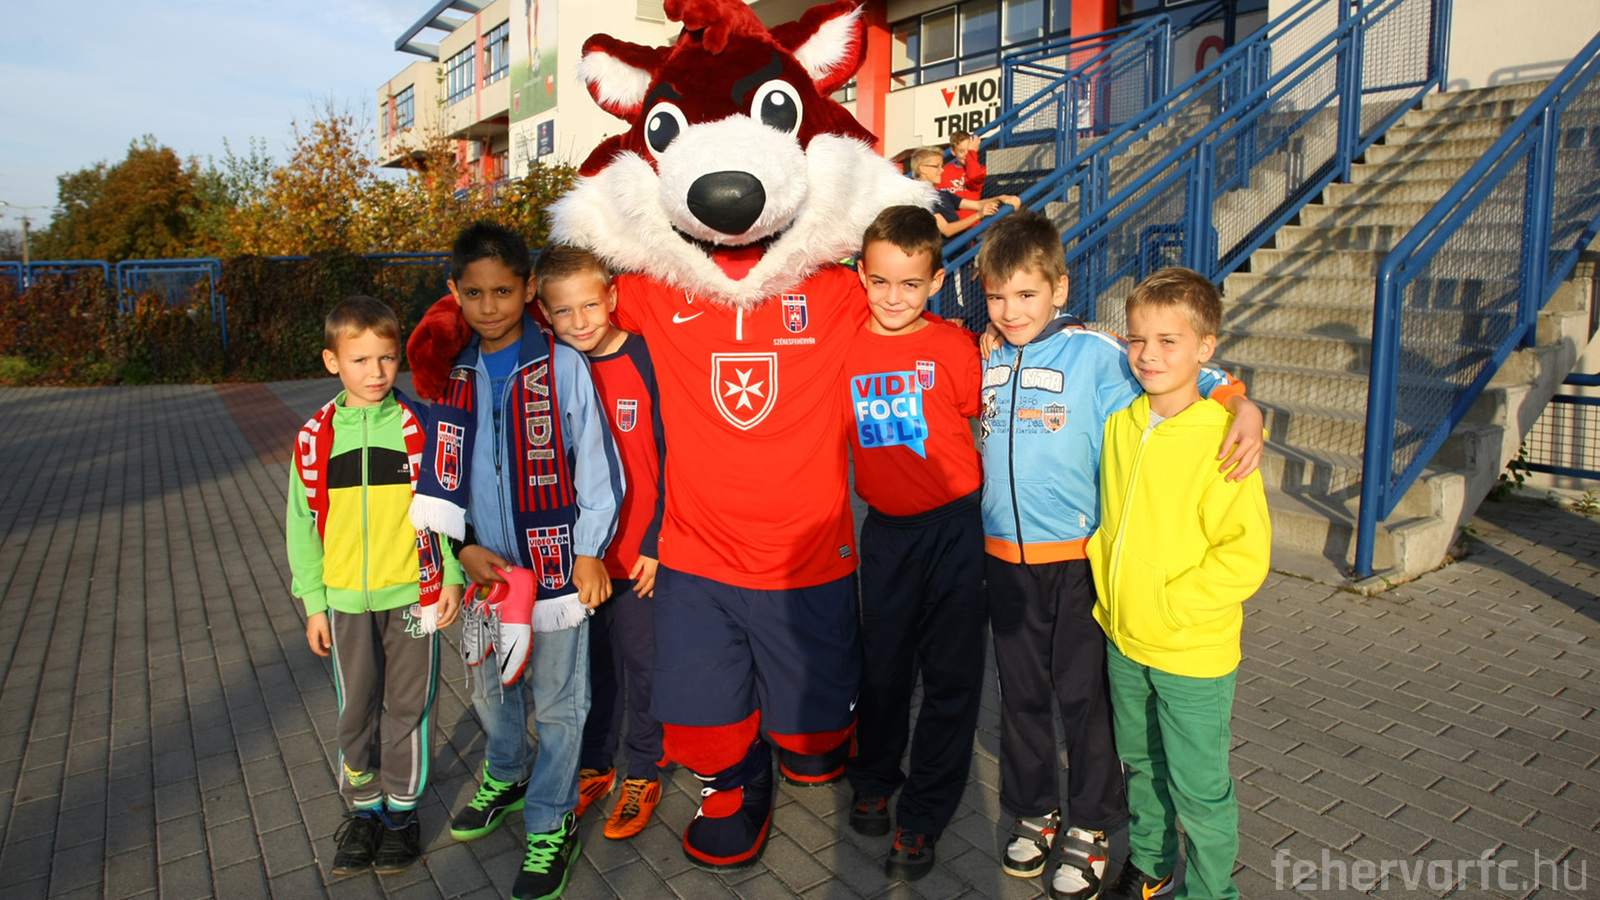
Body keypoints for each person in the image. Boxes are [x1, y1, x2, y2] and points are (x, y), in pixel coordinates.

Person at [976, 210, 1264, 900]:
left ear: (1059, 288)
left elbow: (1180, 369)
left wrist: (1241, 402)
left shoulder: (1098, 354)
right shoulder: (983, 352)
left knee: (1086, 705)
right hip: (1003, 561)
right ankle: (1035, 811)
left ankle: (1092, 825)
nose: (1010, 311)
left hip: (1080, 566)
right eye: (996, 296)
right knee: (1021, 698)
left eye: (1026, 294)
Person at [409, 222, 624, 900]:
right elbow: (441, 478)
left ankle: (551, 821)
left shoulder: (561, 366)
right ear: (454, 292)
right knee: (489, 688)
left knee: (560, 703)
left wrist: (589, 551)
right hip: (486, 572)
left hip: (556, 570)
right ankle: (506, 772)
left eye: (503, 291)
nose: (490, 306)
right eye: (474, 293)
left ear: (528, 289)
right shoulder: (454, 375)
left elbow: (599, 468)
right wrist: (461, 548)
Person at [1089, 268, 1271, 900]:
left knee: (1200, 789)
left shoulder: (1226, 440)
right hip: (1124, 640)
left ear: (1205, 348)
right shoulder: (1121, 423)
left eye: (1169, 341)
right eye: (1138, 339)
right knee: (1141, 767)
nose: (1149, 355)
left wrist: (1168, 607)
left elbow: (1243, 557)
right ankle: (1151, 864)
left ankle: (1213, 892)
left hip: (1190, 652)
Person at [285, 296, 465, 876]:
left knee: (409, 705)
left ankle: (402, 814)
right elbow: (301, 526)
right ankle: (363, 809)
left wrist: (451, 575)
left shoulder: (422, 428)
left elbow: (445, 509)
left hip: (413, 595)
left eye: (386, 358)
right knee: (356, 708)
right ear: (332, 361)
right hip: (344, 601)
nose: (376, 372)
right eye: (359, 360)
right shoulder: (314, 439)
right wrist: (314, 604)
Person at [840, 206, 987, 881]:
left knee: (952, 677)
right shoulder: (844, 348)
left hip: (955, 529)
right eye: (880, 282)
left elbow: (981, 410)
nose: (894, 297)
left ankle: (924, 814)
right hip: (887, 533)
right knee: (883, 669)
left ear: (935, 281)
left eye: (910, 284)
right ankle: (874, 776)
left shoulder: (954, 347)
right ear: (861, 276)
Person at [536, 244, 668, 841]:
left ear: (612, 297)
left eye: (590, 305)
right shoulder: (552, 370)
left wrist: (657, 539)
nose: (580, 321)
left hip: (637, 555)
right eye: (564, 311)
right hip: (577, 560)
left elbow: (674, 454)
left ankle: (643, 768)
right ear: (545, 314)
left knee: (643, 664)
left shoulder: (647, 357)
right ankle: (596, 764)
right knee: (593, 666)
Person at [910, 147, 1017, 241]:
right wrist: (979, 215)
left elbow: (977, 204)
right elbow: (946, 230)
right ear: (923, 168)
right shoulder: (920, 197)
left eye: (942, 166)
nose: (941, 170)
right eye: (936, 166)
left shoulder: (943, 194)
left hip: (959, 251)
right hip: (945, 254)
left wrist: (1001, 198)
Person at [938, 130, 987, 218]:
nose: (966, 155)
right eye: (961, 151)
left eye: (969, 150)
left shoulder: (980, 169)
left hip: (973, 223)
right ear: (953, 151)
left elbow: (974, 176)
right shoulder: (943, 171)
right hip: (951, 223)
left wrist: (972, 153)